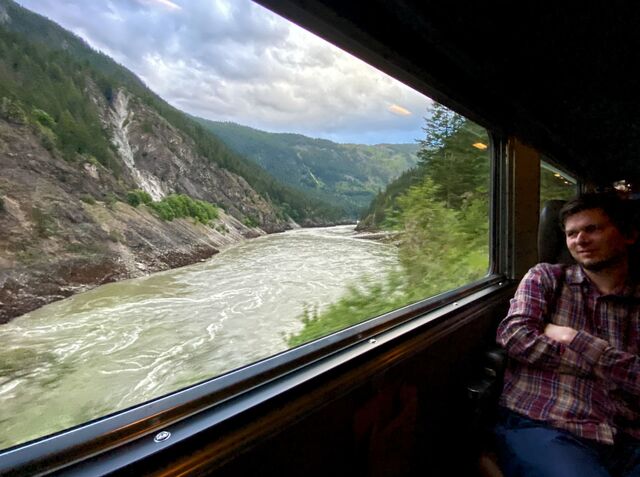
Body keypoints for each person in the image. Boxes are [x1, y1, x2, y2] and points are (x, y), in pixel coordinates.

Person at [494, 193, 640, 477]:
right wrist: (612, 365)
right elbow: (515, 337)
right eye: (572, 234)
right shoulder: (546, 278)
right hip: (547, 420)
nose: (579, 240)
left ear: (629, 235)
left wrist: (574, 338)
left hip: (627, 433)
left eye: (592, 229)